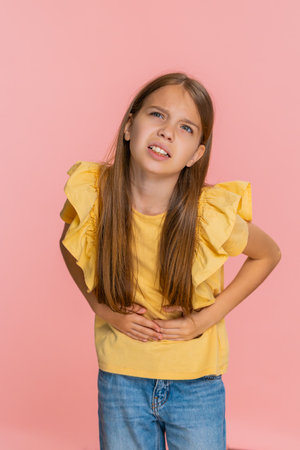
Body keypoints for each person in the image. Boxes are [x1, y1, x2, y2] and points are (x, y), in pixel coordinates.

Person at [59, 72, 281, 450]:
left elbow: (268, 253)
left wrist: (205, 317)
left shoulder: (209, 214)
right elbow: (68, 245)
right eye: (157, 115)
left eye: (186, 127)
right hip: (121, 378)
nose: (166, 132)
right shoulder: (95, 195)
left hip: (196, 384)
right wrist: (104, 310)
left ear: (197, 154)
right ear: (130, 125)